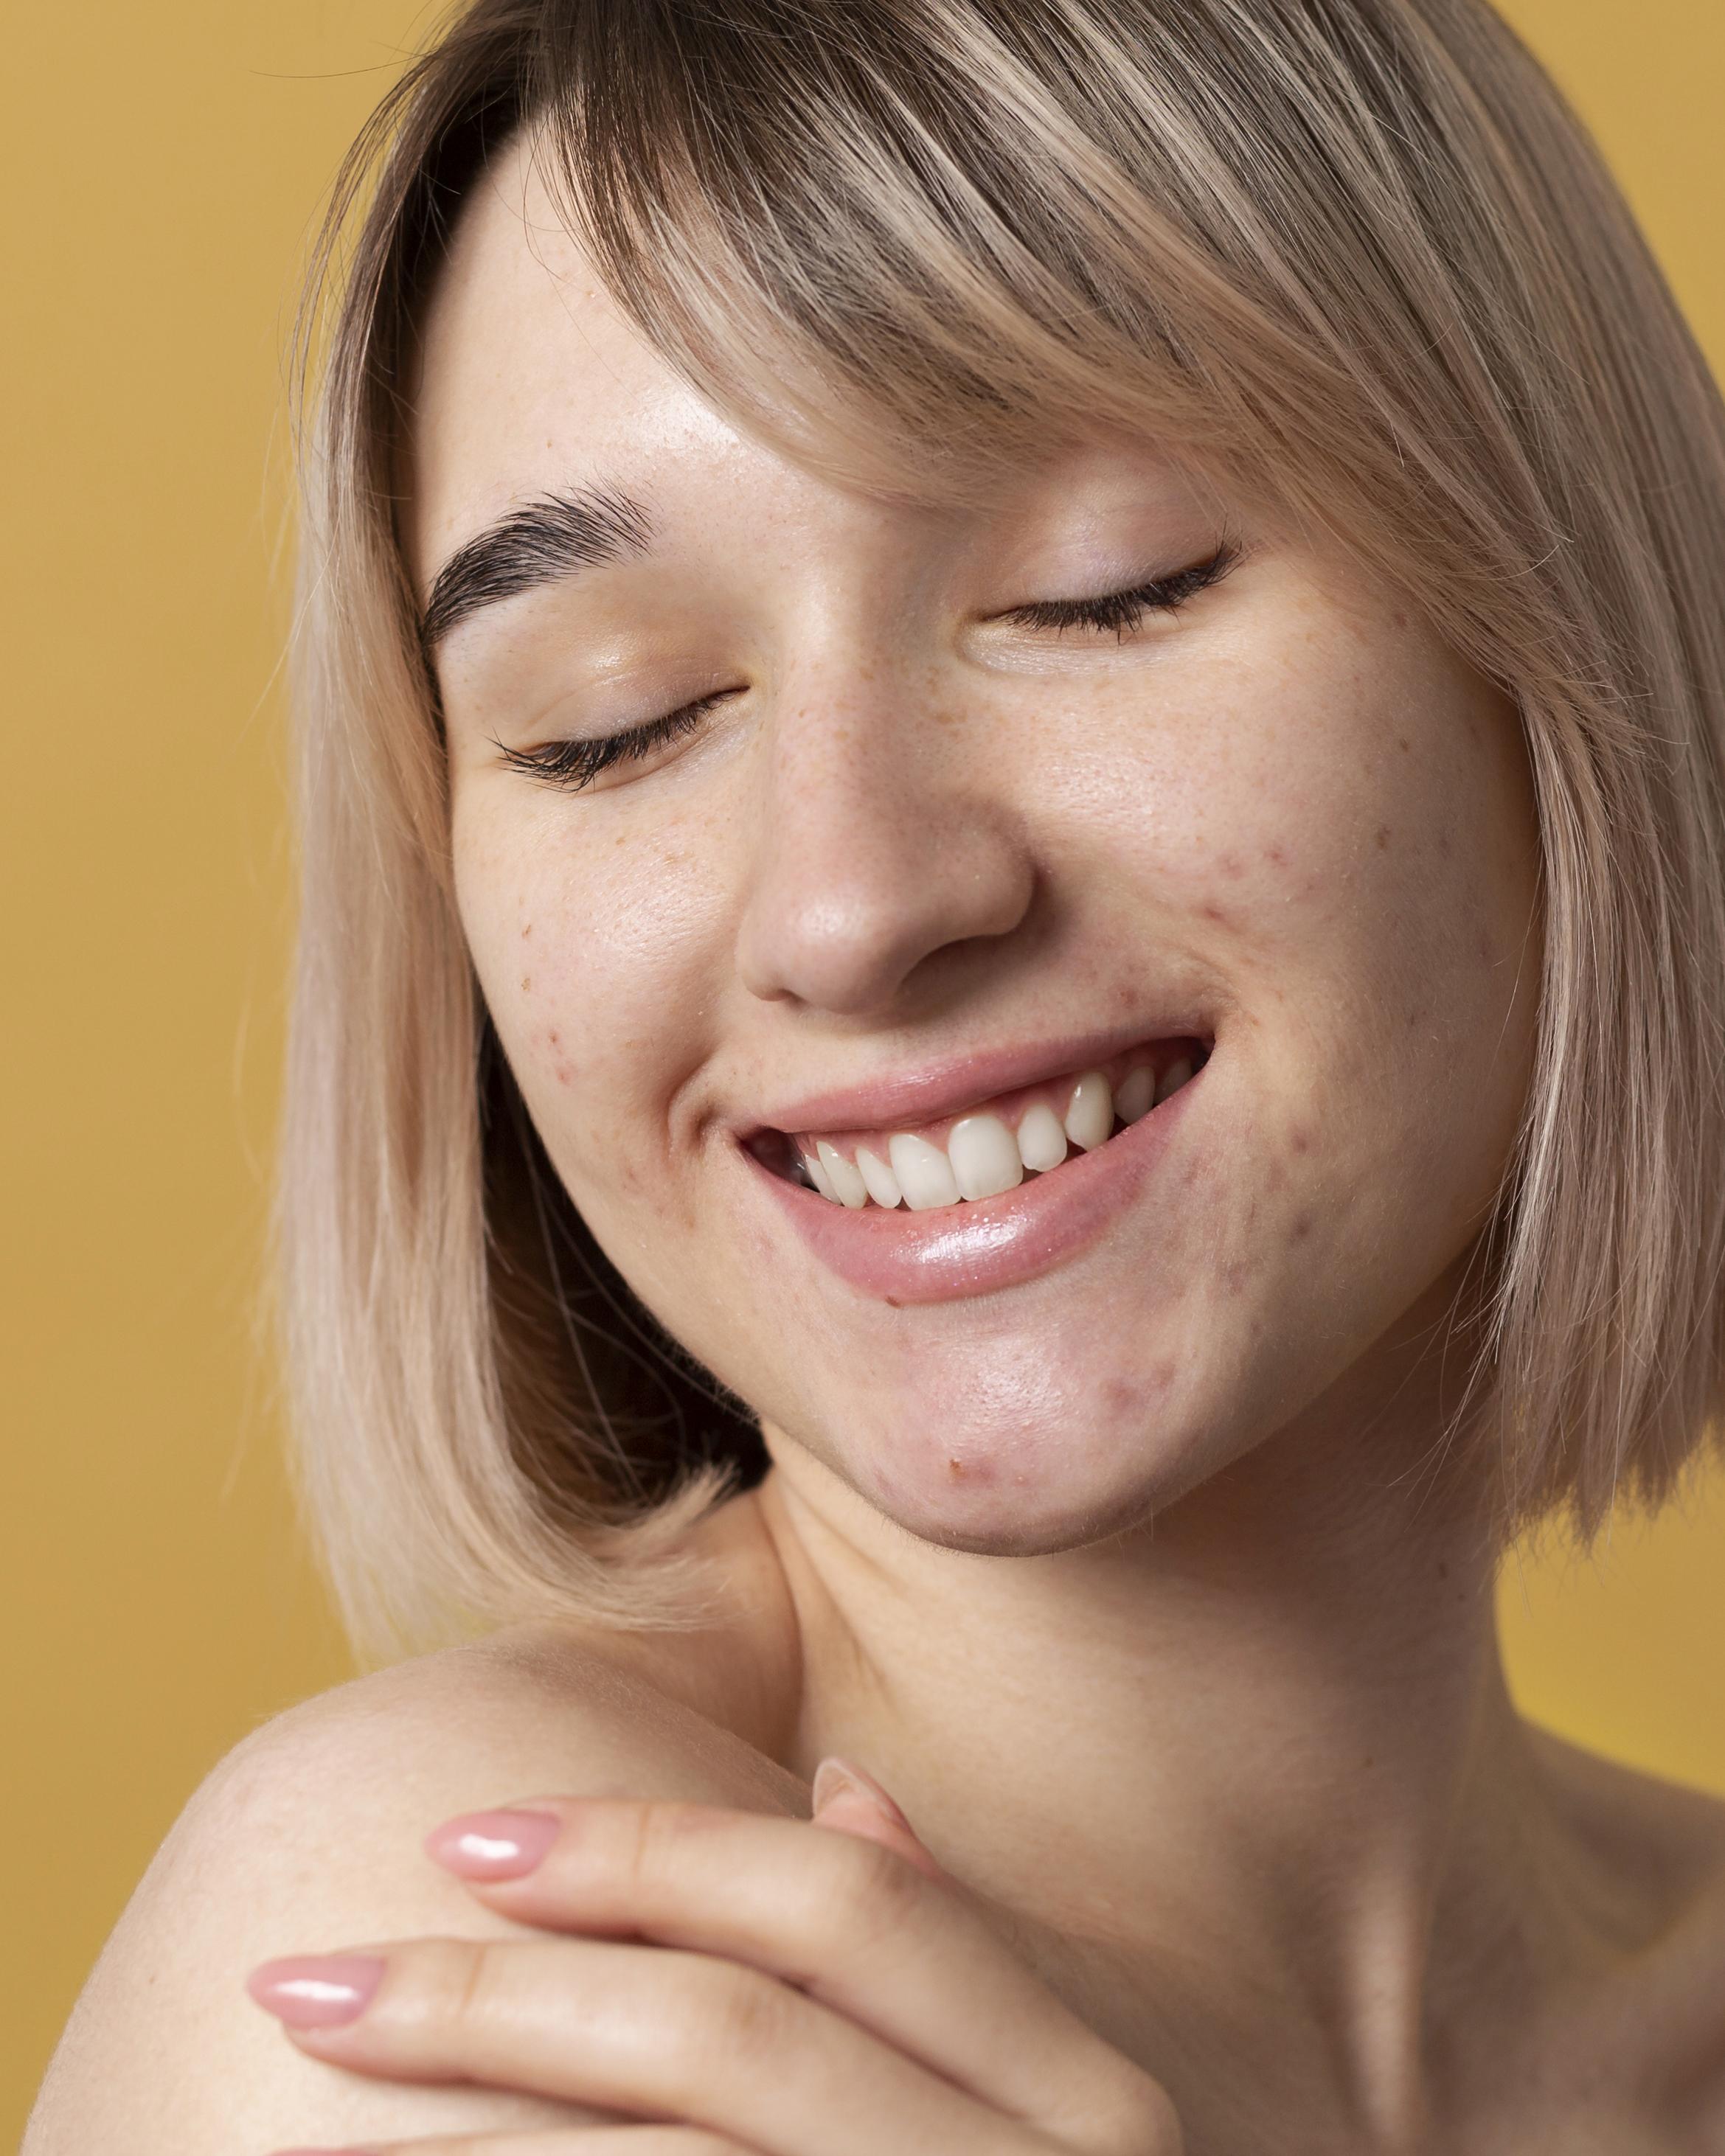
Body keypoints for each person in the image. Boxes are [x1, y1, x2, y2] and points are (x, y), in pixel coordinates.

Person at [25, 0, 1725, 2147]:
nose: (848, 902)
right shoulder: (519, 2002)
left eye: (1098, 587)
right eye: (610, 723)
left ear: (1557, 625)